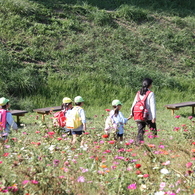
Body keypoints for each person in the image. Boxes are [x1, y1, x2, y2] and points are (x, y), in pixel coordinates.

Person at [129, 78, 157, 145]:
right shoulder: (150, 93)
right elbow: (152, 106)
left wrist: (131, 114)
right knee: (153, 131)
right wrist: (154, 117)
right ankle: (155, 143)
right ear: (150, 85)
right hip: (148, 116)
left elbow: (134, 104)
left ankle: (139, 144)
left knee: (140, 131)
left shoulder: (138, 93)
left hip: (138, 115)